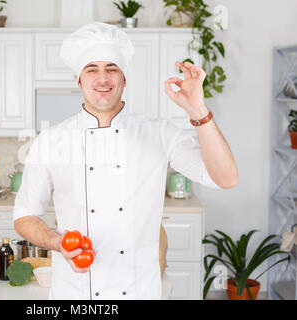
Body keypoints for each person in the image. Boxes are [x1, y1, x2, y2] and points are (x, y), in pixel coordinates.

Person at [13, 22, 238, 300]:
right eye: (91, 69)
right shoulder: (51, 140)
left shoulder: (159, 134)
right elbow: (24, 215)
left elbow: (225, 178)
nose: (102, 78)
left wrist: (198, 110)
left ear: (124, 78)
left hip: (137, 289)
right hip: (76, 291)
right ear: (79, 80)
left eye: (112, 69)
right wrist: (57, 242)